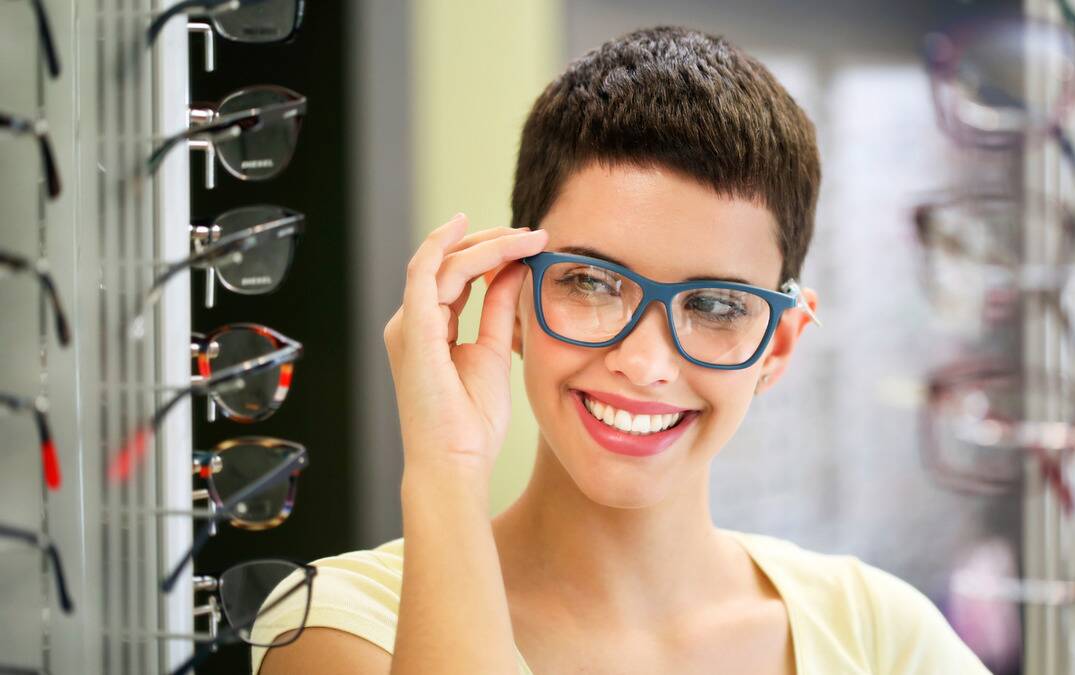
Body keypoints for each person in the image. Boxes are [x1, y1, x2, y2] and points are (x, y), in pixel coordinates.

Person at [253, 25, 991, 675]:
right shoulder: (337, 625)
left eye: (715, 305)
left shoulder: (883, 637)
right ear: (508, 299)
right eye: (592, 282)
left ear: (778, 345)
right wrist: (446, 472)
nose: (645, 362)